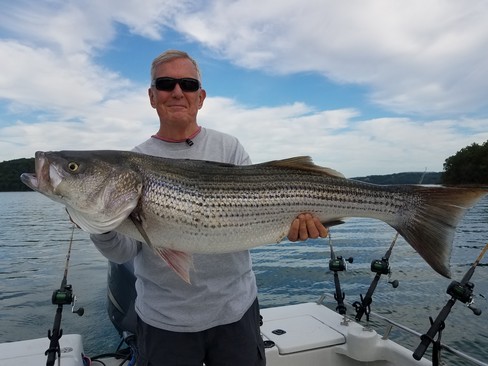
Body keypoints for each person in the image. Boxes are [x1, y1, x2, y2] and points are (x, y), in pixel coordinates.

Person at [90, 50, 328, 366]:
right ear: (152, 96)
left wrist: (292, 227)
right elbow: (123, 253)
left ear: (200, 97)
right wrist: (99, 223)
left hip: (236, 313)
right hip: (164, 322)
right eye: (166, 83)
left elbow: (262, 210)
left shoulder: (228, 147)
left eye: (188, 84)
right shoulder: (133, 161)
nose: (177, 91)